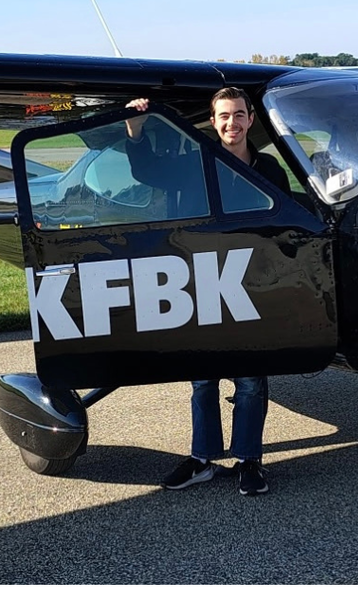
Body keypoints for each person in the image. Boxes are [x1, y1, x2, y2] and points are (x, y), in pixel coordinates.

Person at [124, 87, 291, 497]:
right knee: (203, 380)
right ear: (213, 122)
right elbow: (147, 172)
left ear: (251, 119)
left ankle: (248, 459)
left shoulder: (268, 169)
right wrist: (135, 129)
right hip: (201, 281)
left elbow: (287, 223)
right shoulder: (196, 162)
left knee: (251, 381)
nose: (231, 123)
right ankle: (202, 459)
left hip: (251, 286)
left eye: (238, 115)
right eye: (223, 116)